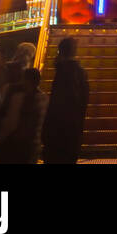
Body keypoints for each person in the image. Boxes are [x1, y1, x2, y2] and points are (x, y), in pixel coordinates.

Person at [42, 36, 89, 164]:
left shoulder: (62, 71)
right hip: (72, 129)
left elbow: (56, 102)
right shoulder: (78, 72)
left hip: (58, 131)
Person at [0, 69, 47, 165]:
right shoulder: (44, 99)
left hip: (16, 145)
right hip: (32, 145)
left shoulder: (17, 98)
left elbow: (10, 122)